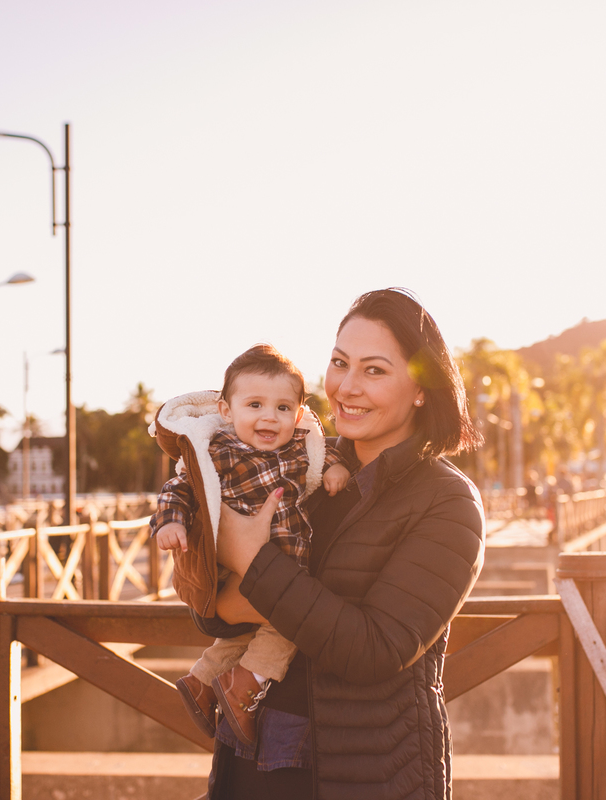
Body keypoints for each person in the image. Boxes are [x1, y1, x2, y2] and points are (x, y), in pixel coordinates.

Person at [201, 288, 485, 799]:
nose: (346, 387)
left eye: (374, 370)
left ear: (421, 388)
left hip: (363, 774)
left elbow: (375, 649)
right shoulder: (296, 464)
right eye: (339, 363)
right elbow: (212, 606)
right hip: (248, 759)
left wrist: (250, 559)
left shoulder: (448, 503)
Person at [150, 344, 351, 746]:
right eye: (255, 404)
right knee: (294, 624)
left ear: (298, 415)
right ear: (227, 411)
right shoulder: (219, 453)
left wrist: (337, 468)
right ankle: (245, 686)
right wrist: (169, 523)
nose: (268, 417)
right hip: (241, 573)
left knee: (249, 634)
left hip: (282, 567)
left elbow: (323, 457)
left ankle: (204, 680)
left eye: (282, 408)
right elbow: (181, 487)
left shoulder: (300, 449)